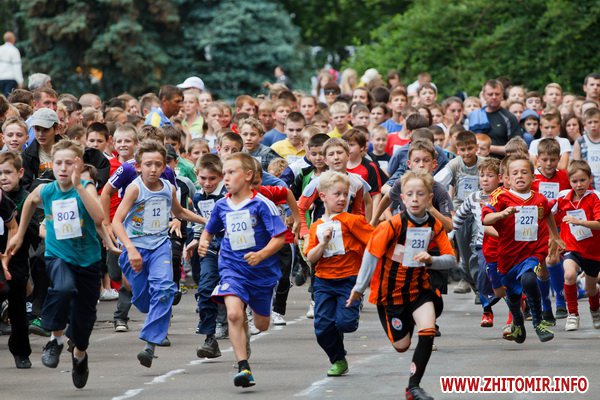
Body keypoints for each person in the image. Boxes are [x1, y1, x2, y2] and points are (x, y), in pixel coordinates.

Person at [6, 140, 117, 388]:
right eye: (58, 163)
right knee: (63, 288)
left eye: (69, 163)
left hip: (88, 261)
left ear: (79, 164)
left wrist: (78, 186)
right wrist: (20, 234)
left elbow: (99, 217)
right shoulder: (47, 190)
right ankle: (55, 340)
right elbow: (29, 203)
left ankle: (80, 355)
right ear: (52, 165)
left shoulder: (86, 186)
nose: (63, 168)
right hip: (58, 255)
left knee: (84, 319)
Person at [348, 170, 456, 400]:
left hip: (419, 289)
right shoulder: (392, 225)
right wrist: (359, 288)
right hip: (390, 295)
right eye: (410, 194)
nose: (415, 199)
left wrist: (431, 260)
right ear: (402, 198)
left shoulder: (434, 225)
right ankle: (407, 319)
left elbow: (451, 259)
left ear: (429, 198)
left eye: (420, 194)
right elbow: (371, 255)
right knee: (402, 346)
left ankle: (413, 387)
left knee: (428, 331)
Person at [111, 140, 205, 368]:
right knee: (144, 301)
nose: (153, 169)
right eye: (148, 164)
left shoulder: (168, 188)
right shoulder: (135, 188)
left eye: (158, 164)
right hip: (134, 247)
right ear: (138, 166)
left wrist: (207, 221)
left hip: (160, 246)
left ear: (165, 166)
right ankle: (151, 316)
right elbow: (117, 221)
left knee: (163, 290)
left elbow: (179, 211)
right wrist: (130, 248)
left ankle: (149, 346)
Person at [197, 152, 287, 388]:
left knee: (262, 324)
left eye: (231, 172)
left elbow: (280, 237)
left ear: (248, 175)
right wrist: (204, 241)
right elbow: (209, 230)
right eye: (224, 173)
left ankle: (247, 330)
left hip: (261, 272)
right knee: (234, 314)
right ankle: (243, 367)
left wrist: (261, 255)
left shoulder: (262, 204)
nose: (225, 178)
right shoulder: (221, 205)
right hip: (231, 267)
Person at [482, 155, 565, 343]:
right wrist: (501, 214)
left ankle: (538, 322)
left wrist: (555, 236)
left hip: (533, 253)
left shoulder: (539, 199)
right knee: (512, 294)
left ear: (533, 177)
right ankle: (518, 323)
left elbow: (548, 214)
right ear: (507, 178)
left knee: (529, 279)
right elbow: (486, 219)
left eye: (524, 172)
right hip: (508, 256)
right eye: (515, 173)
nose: (520, 176)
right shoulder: (500, 197)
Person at [305, 170, 373, 376]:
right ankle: (338, 359)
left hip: (349, 280)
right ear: (323, 196)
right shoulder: (316, 226)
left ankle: (353, 308)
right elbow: (311, 257)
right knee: (322, 328)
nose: (343, 198)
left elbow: (375, 241)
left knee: (345, 324)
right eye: (337, 194)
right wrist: (323, 243)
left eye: (346, 194)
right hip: (324, 282)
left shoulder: (353, 220)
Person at [185, 154, 227, 358]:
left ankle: (233, 322)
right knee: (205, 288)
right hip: (209, 246)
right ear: (197, 175)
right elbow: (200, 221)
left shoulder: (228, 195)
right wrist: (196, 239)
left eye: (212, 178)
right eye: (203, 178)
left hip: (231, 249)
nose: (207, 183)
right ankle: (210, 337)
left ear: (221, 176)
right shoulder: (199, 197)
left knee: (232, 291)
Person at [453, 158, 502, 327]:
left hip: (504, 244)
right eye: (482, 175)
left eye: (490, 175)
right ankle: (487, 309)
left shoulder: (505, 196)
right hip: (482, 244)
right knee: (481, 273)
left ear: (499, 178)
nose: (485, 179)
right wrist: (450, 234)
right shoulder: (474, 197)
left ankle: (520, 308)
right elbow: (459, 216)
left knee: (508, 277)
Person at [554, 160, 600, 331]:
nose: (579, 185)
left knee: (590, 288)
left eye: (582, 180)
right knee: (569, 275)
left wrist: (579, 221)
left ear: (590, 179)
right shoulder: (562, 197)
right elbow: (548, 214)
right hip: (571, 247)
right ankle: (572, 314)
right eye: (574, 181)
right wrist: (554, 237)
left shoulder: (595, 197)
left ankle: (595, 310)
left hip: (593, 250)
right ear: (569, 181)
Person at [469, 80, 522, 156]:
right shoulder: (475, 115)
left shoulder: (509, 118)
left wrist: (487, 148)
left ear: (502, 95)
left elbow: (517, 148)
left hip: (500, 161)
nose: (494, 97)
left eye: (497, 94)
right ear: (483, 95)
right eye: (490, 94)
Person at [572, 107, 600, 189]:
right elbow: (576, 165)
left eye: (596, 122)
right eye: (590, 122)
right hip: (588, 183)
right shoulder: (580, 141)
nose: (593, 125)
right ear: (585, 125)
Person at [0, 32, 23, 96]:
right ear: (13, 39)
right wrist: (20, 81)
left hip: (1, 78)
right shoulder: (14, 50)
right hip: (10, 78)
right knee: (9, 97)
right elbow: (17, 66)